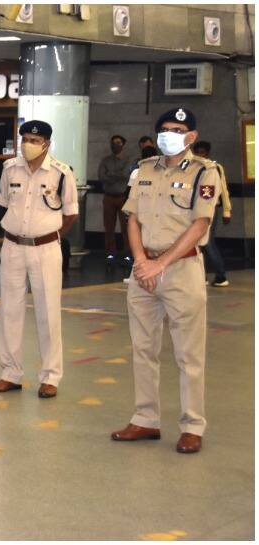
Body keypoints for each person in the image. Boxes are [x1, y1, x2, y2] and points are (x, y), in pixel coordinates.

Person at [111, 108, 220, 455]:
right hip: (145, 271)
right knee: (143, 349)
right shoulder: (143, 170)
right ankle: (145, 419)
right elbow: (131, 218)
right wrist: (142, 261)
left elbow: (200, 225)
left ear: (190, 137)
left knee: (188, 355)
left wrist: (161, 263)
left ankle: (192, 425)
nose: (168, 134)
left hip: (181, 270)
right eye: (164, 129)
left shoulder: (206, 172)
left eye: (177, 129)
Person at [0, 120, 78, 399]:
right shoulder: (9, 169)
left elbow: (71, 213)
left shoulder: (62, 173)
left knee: (48, 312)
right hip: (12, 246)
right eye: (25, 138)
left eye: (35, 140)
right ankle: (10, 374)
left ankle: (51, 376)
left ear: (47, 144)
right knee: (9, 312)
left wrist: (50, 236)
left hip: (46, 248)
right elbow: (2, 203)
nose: (28, 144)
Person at [191, 140, 231, 287]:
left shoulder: (215, 168)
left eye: (202, 152)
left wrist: (227, 210)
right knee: (196, 243)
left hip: (211, 208)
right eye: (197, 152)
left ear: (207, 153)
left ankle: (220, 275)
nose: (200, 155)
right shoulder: (192, 167)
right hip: (194, 209)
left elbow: (224, 190)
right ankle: (202, 275)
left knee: (208, 242)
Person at [98, 134, 132, 266]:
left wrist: (110, 174)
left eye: (118, 143)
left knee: (126, 228)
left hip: (123, 198)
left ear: (123, 144)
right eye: (113, 143)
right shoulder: (105, 160)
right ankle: (110, 253)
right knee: (109, 227)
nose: (115, 145)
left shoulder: (128, 160)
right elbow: (101, 176)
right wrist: (117, 175)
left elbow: (125, 175)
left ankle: (128, 254)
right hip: (108, 197)